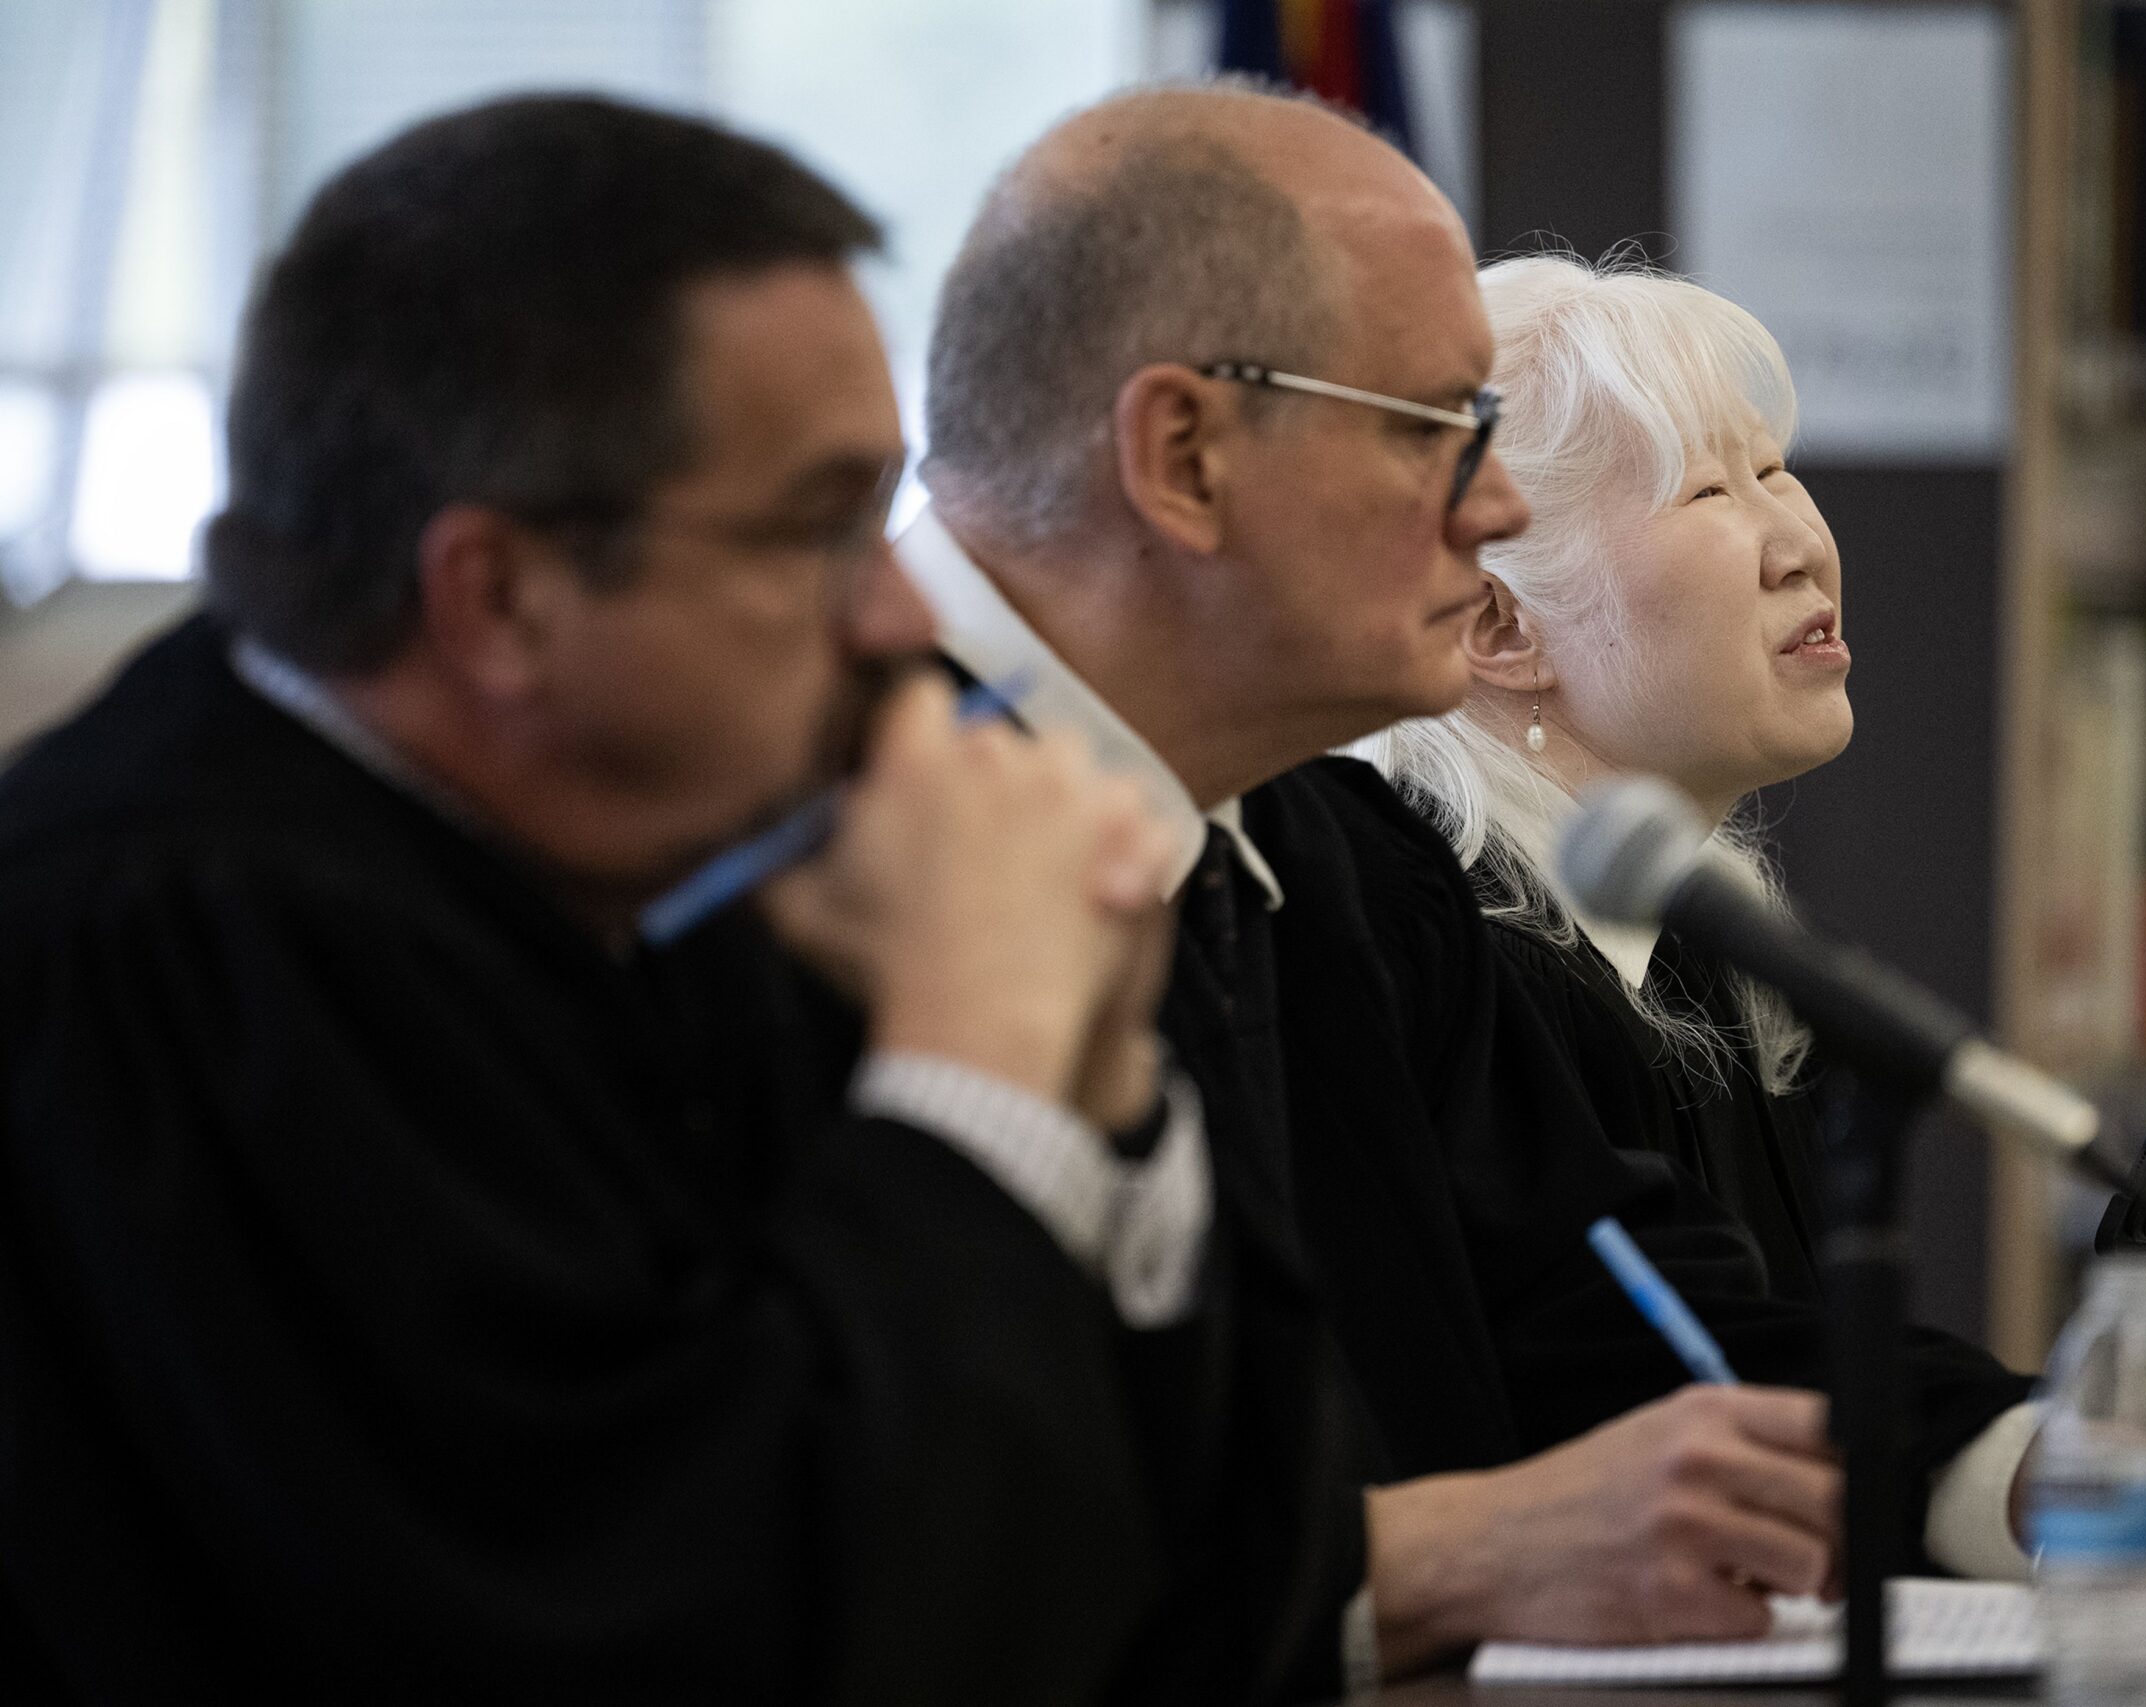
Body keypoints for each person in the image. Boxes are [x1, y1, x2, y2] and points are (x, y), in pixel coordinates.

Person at [913, 79, 2146, 1682]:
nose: (1496, 501)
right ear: (1184, 455)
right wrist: (1432, 1555)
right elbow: (855, 1529)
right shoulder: (849, 846)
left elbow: (1612, 1320)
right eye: (1438, 431)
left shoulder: (1286, 848)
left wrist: (2077, 1473)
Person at [0, 96, 1368, 1704]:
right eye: (818, 528)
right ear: (499, 597)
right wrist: (980, 1062)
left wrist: (1101, 1077)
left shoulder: (706, 859)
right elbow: (711, 1638)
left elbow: (1222, 1613)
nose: (891, 613)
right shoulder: (180, 947)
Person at [1357, 251, 2146, 1599]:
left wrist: (2102, 1465)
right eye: (1711, 490)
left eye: (1777, 468)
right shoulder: (1427, 938)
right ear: (1498, 624)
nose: (1798, 539)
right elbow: (1676, 1361)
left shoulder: (1706, 961)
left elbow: (1796, 1351)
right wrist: (2082, 1470)